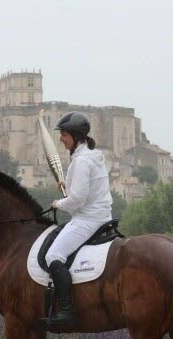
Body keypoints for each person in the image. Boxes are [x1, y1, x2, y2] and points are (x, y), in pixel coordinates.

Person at [44, 111, 113, 327]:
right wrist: (68, 187)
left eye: (63, 135)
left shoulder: (81, 161)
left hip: (88, 219)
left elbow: (77, 201)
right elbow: (85, 190)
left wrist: (57, 203)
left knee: (53, 256)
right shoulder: (94, 155)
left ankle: (67, 311)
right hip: (103, 216)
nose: (60, 139)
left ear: (75, 135)